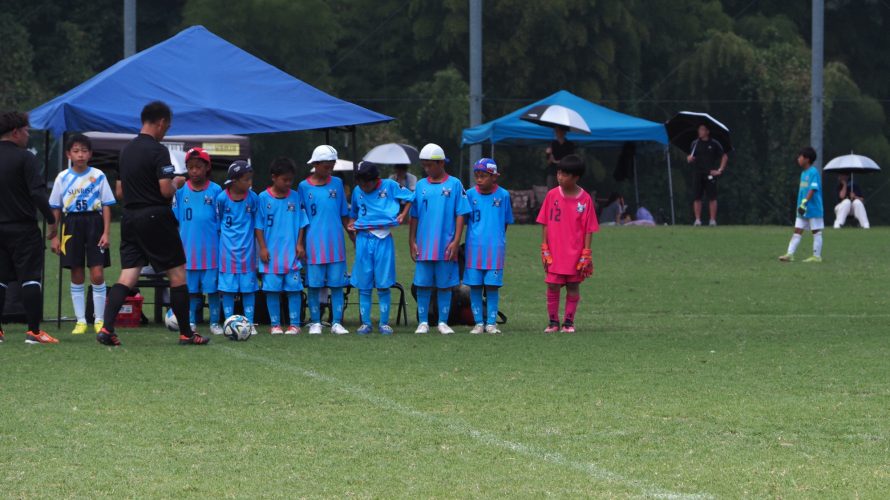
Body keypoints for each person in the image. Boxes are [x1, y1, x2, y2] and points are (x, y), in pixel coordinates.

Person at [97, 101, 209, 346]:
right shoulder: (158, 151)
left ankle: (106, 329)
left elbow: (119, 192)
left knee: (127, 276)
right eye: (166, 126)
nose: (165, 131)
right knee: (178, 275)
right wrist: (177, 182)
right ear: (160, 123)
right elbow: (165, 191)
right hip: (156, 218)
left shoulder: (125, 151)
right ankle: (186, 334)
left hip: (129, 218)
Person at [48, 134, 115, 335]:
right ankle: (80, 320)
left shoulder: (98, 175)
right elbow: (56, 208)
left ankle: (100, 319)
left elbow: (106, 206)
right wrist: (54, 236)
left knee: (97, 272)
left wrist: (106, 232)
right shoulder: (62, 177)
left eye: (84, 151)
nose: (80, 155)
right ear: (69, 154)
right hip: (71, 224)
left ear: (90, 154)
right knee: (76, 271)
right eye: (76, 151)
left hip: (94, 222)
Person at [0, 111, 57, 344]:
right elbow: (37, 193)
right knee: (31, 278)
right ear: (15, 132)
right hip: (23, 227)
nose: (27, 135)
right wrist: (52, 220)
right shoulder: (26, 158)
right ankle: (34, 332)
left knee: (1, 279)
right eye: (26, 131)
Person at [409, 143, 471, 334]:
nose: (427, 169)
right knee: (422, 284)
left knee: (445, 285)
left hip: (445, 245)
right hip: (424, 245)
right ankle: (423, 322)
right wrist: (411, 240)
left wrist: (456, 240)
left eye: (430, 165)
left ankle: (443, 322)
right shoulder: (420, 186)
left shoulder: (455, 184)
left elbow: (461, 213)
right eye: (424, 166)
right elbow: (415, 215)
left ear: (441, 163)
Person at [347, 161, 414, 335]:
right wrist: (351, 224)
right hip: (363, 238)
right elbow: (353, 215)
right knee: (364, 283)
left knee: (384, 283)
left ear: (375, 179)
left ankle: (384, 323)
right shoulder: (357, 191)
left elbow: (410, 197)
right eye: (360, 183)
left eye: (366, 183)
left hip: (383, 238)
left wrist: (402, 215)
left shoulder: (390, 186)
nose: (363, 186)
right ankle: (366, 323)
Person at [537, 154, 599, 333]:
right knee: (552, 285)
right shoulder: (552, 195)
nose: (560, 177)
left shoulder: (585, 199)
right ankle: (553, 322)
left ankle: (569, 322)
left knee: (573, 286)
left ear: (576, 177)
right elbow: (545, 223)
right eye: (559, 173)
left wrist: (586, 253)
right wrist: (544, 248)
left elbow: (589, 228)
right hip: (555, 253)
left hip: (575, 254)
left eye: (564, 174)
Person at [297, 145, 352, 335]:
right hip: (313, 244)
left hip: (335, 243)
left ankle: (336, 322)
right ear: (316, 164)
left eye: (332, 166)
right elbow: (301, 219)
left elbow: (344, 215)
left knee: (337, 284)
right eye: (327, 166)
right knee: (314, 285)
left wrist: (353, 237)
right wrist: (300, 243)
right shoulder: (303, 187)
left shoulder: (337, 183)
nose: (330, 170)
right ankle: (315, 322)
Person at [172, 147, 223, 335]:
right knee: (191, 291)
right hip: (188, 252)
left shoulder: (217, 191)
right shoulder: (180, 191)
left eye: (198, 167)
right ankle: (191, 321)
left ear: (207, 167)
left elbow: (222, 220)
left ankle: (215, 322)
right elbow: (175, 220)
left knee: (213, 290)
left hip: (211, 251)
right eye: (191, 167)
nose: (194, 171)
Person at [256, 157, 308, 335]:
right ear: (273, 177)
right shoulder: (262, 198)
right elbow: (258, 226)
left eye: (290, 180)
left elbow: (302, 222)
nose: (288, 183)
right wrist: (262, 248)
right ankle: (275, 325)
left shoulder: (295, 197)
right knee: (272, 290)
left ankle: (294, 324)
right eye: (284, 180)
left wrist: (300, 243)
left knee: (294, 290)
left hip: (290, 254)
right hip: (271, 255)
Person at [464, 158, 513, 334]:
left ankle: (491, 322)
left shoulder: (504, 195)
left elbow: (505, 222)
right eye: (476, 176)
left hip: (495, 250)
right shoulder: (469, 195)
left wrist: (497, 238)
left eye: (483, 176)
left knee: (492, 286)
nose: (479, 179)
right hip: (473, 249)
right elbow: (464, 220)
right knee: (475, 286)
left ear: (494, 177)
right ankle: (478, 322)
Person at [216, 160, 260, 333]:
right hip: (227, 253)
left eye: (250, 179)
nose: (250, 183)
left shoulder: (253, 198)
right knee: (227, 290)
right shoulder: (221, 198)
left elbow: (257, 223)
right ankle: (228, 322)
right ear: (234, 181)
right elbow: (218, 222)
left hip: (248, 253)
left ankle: (249, 323)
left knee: (248, 289)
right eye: (246, 179)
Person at [779, 147, 824, 263]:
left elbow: (813, 189)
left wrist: (805, 202)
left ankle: (816, 256)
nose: (798, 159)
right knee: (797, 230)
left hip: (813, 208)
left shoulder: (813, 172)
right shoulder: (803, 173)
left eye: (800, 156)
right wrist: (801, 205)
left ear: (807, 159)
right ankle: (790, 254)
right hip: (802, 209)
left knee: (816, 231)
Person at [687, 124, 728, 226]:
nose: (699, 131)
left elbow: (724, 156)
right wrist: (689, 159)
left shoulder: (714, 143)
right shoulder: (694, 143)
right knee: (697, 197)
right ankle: (697, 220)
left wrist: (720, 170)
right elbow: (689, 157)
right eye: (699, 129)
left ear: (707, 131)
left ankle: (712, 220)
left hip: (710, 174)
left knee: (712, 197)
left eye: (702, 129)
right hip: (697, 173)